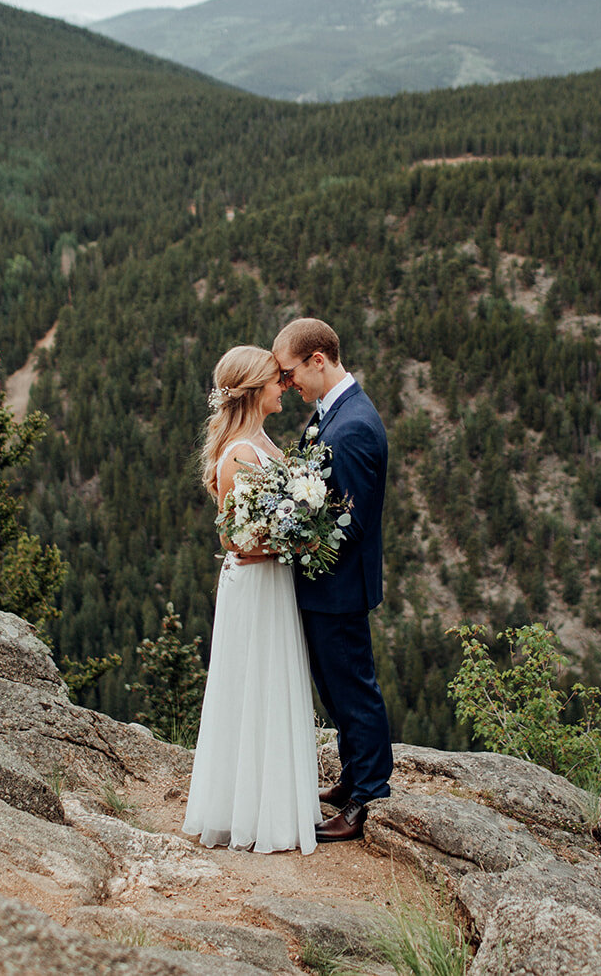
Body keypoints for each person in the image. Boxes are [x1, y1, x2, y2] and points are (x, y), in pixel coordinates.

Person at [181, 345, 322, 854]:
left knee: (273, 681)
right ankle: (249, 812)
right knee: (253, 685)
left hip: (273, 584)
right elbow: (234, 540)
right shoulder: (239, 453)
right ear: (252, 390)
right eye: (275, 379)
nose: (284, 384)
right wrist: (296, 541)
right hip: (256, 583)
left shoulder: (261, 440)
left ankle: (277, 802)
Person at [271, 317, 392, 842]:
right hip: (324, 586)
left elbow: (354, 520)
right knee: (336, 690)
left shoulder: (356, 425)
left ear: (318, 360)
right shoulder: (331, 413)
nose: (287, 383)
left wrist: (295, 542)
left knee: (353, 690)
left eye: (290, 372)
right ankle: (351, 780)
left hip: (338, 588)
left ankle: (368, 797)